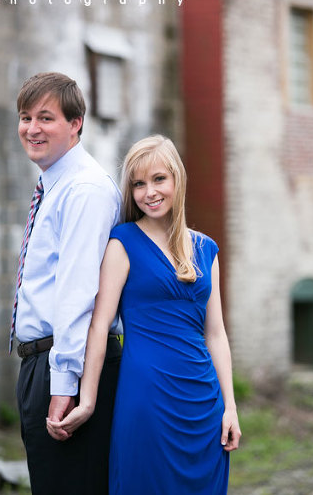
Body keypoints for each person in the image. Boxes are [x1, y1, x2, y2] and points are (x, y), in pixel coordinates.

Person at [47, 135, 240, 493]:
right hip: (146, 396)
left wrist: (230, 407)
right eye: (138, 183)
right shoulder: (123, 242)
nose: (149, 192)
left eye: (158, 179)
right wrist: (87, 400)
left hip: (203, 402)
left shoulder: (205, 248)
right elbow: (99, 325)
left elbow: (215, 334)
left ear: (177, 180)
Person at [12, 72, 123, 494]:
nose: (32, 129)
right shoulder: (54, 185)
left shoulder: (84, 190)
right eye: (25, 118)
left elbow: (79, 296)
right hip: (44, 363)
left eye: (46, 117)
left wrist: (63, 385)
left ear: (76, 123)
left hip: (67, 365)